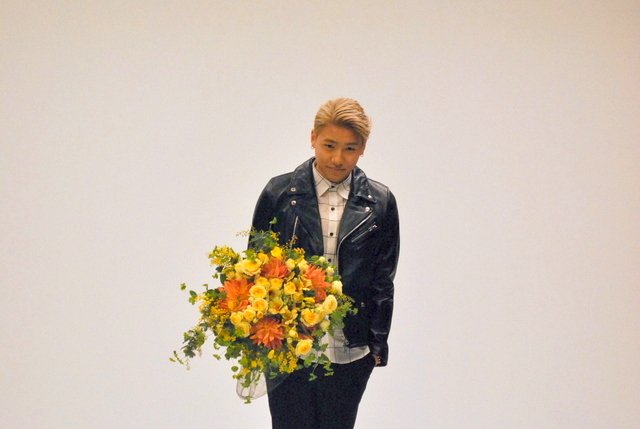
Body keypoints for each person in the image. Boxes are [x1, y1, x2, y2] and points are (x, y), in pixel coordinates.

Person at [250, 97, 400, 429]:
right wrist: (261, 338)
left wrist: (377, 343)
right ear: (313, 137)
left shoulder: (380, 202)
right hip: (290, 345)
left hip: (350, 350)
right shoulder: (279, 194)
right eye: (329, 145)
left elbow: (383, 278)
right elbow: (256, 270)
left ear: (363, 149)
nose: (337, 158)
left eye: (350, 148)